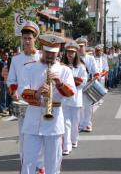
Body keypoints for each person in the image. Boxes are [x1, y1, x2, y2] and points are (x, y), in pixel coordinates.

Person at [19, 34, 76, 174]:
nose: (50, 56)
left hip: (54, 121)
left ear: (58, 53)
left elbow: (71, 93)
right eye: (47, 53)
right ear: (42, 51)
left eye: (53, 53)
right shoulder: (29, 68)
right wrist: (37, 93)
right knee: (28, 162)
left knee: (53, 162)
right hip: (33, 119)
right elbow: (22, 91)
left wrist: (60, 83)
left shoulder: (64, 70)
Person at [6, 21, 44, 173]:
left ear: (35, 38)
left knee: (42, 135)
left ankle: (40, 166)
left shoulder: (43, 56)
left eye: (30, 38)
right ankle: (25, 166)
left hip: (40, 103)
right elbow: (11, 81)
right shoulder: (16, 59)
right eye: (24, 38)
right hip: (24, 103)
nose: (27, 41)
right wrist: (13, 92)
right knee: (24, 137)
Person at [61, 41, 87, 155]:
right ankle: (66, 145)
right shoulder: (62, 66)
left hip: (76, 98)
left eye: (72, 52)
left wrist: (73, 81)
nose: (70, 54)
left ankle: (74, 140)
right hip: (65, 99)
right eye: (68, 52)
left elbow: (83, 82)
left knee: (75, 122)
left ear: (76, 53)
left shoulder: (81, 66)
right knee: (65, 122)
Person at [76, 37, 99, 132]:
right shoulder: (74, 58)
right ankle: (80, 124)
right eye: (79, 46)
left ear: (86, 46)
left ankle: (87, 123)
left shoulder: (90, 58)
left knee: (88, 106)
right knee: (79, 106)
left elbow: (96, 72)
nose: (80, 48)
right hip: (77, 85)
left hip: (88, 85)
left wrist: (94, 78)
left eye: (82, 46)